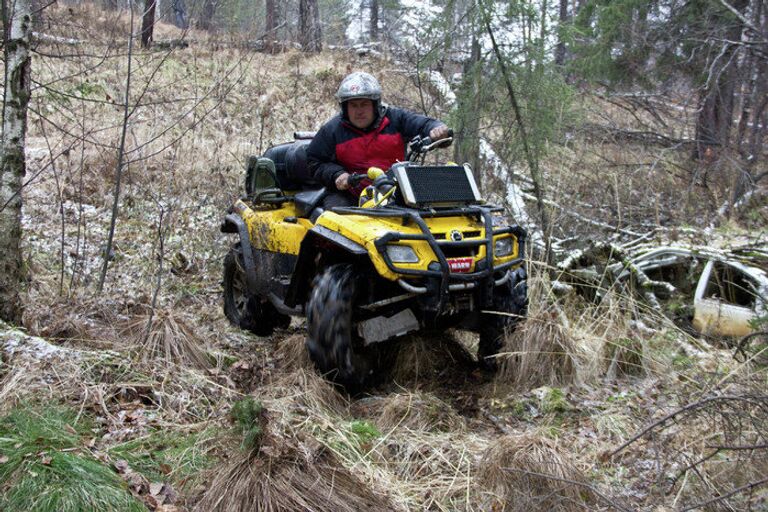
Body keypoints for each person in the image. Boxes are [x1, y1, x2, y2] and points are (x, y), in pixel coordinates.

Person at [307, 71, 450, 208]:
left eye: (364, 104)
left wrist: (437, 129)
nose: (359, 111)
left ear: (375, 105)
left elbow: (424, 124)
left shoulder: (396, 119)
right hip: (350, 195)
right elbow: (313, 160)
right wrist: (337, 174)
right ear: (345, 107)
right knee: (335, 223)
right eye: (353, 105)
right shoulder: (332, 129)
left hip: (396, 192)